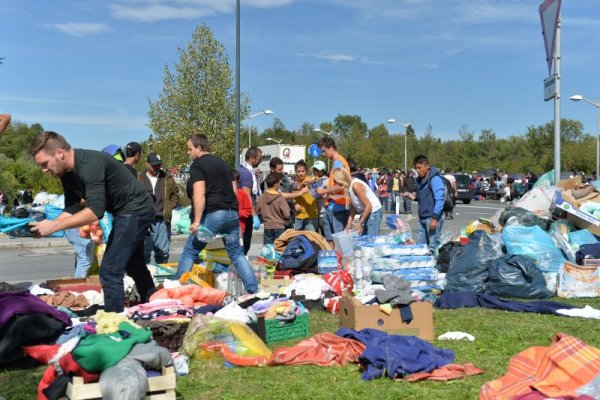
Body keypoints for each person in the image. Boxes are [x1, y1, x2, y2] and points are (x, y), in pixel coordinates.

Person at [28, 131, 156, 312]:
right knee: (134, 265)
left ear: (59, 153)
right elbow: (73, 207)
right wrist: (46, 225)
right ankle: (153, 304)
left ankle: (113, 323)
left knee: (110, 270)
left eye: (44, 163)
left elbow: (95, 211)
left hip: (136, 209)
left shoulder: (89, 165)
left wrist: (54, 226)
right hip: (125, 212)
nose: (44, 169)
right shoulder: (67, 173)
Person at [174, 134, 257, 294]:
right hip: (232, 214)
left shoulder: (197, 165)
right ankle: (253, 289)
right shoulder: (224, 164)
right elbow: (233, 190)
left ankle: (178, 290)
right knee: (236, 254)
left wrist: (197, 220)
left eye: (189, 148)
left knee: (191, 251)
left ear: (199, 148)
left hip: (214, 214)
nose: (188, 152)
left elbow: (199, 194)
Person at [139, 152, 180, 264]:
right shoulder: (139, 178)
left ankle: (162, 279)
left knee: (162, 253)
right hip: (144, 221)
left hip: (162, 220)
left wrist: (169, 207)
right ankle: (145, 280)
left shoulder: (167, 177)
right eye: (154, 165)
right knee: (143, 254)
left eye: (159, 165)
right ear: (147, 164)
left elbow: (175, 195)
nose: (157, 167)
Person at [316, 136, 350, 247]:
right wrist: (329, 192)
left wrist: (325, 190)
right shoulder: (337, 162)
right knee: (331, 240)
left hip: (338, 208)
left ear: (331, 148)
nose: (323, 154)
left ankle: (339, 262)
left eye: (324, 151)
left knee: (339, 242)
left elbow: (342, 186)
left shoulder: (338, 163)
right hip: (334, 206)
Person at [409, 155, 445, 251]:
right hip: (422, 218)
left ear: (427, 166)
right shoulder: (420, 180)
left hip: (432, 218)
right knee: (421, 249)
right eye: (416, 168)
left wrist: (435, 219)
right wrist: (415, 197)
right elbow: (425, 197)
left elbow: (440, 200)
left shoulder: (435, 179)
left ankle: (435, 266)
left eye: (419, 168)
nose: (417, 170)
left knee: (433, 248)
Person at [334, 169, 382, 236]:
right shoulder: (349, 186)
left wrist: (360, 223)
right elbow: (355, 205)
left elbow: (369, 206)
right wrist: (349, 223)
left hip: (374, 212)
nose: (338, 185)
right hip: (366, 212)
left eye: (338, 182)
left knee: (371, 239)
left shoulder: (355, 186)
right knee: (365, 239)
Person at [237, 147, 263, 255]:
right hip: (245, 214)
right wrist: (254, 215)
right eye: (259, 159)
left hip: (240, 213)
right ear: (252, 159)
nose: (261, 161)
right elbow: (247, 196)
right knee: (244, 245)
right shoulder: (246, 174)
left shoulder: (241, 170)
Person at [255, 172, 292, 245]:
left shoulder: (262, 197)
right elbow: (287, 214)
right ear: (275, 184)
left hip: (267, 227)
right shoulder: (280, 198)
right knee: (278, 248)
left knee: (268, 249)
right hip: (279, 227)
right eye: (279, 183)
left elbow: (257, 211)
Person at [292, 160, 319, 231]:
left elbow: (317, 179)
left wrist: (314, 179)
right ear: (295, 172)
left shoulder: (309, 180)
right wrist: (295, 204)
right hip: (299, 216)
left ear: (306, 171)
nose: (300, 173)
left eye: (303, 171)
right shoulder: (294, 184)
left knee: (310, 239)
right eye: (298, 171)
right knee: (299, 239)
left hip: (311, 216)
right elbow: (292, 197)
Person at [311, 160, 328, 236]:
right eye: (314, 170)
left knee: (324, 233)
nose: (315, 172)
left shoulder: (327, 180)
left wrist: (323, 193)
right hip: (313, 212)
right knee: (315, 235)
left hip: (323, 212)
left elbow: (328, 194)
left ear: (323, 171)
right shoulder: (311, 180)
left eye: (317, 170)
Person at [233, 170, 252, 235]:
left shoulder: (242, 193)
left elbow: (248, 210)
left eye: (233, 181)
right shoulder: (223, 193)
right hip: (226, 229)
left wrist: (238, 213)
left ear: (237, 181)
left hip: (240, 227)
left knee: (240, 244)